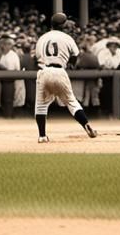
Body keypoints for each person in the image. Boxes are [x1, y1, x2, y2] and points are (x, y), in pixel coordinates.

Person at [31, 12, 98, 143]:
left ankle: (42, 136)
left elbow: (36, 59)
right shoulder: (67, 38)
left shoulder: (42, 38)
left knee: (40, 106)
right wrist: (70, 64)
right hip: (60, 70)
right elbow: (75, 55)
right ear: (63, 24)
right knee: (71, 103)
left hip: (44, 71)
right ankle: (86, 125)